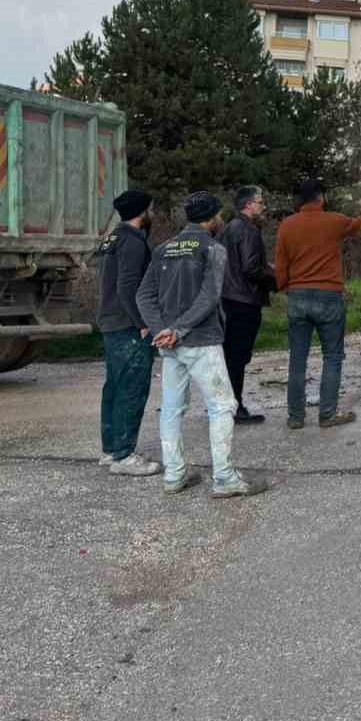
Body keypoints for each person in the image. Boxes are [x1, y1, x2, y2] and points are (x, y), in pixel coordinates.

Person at [136, 190, 266, 500]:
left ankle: (174, 474)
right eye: (218, 215)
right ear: (211, 218)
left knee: (171, 409)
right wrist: (177, 330)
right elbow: (209, 297)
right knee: (222, 406)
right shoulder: (212, 248)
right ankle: (224, 478)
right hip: (201, 341)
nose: (221, 219)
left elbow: (144, 295)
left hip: (170, 344)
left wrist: (162, 330)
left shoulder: (163, 248)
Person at [273, 179, 361, 431]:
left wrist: (287, 288)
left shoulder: (287, 225)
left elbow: (281, 266)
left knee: (297, 359)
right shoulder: (334, 221)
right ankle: (327, 414)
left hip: (297, 296)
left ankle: (296, 417)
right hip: (329, 297)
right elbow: (357, 225)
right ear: (321, 198)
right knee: (332, 356)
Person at [96, 189, 160, 476]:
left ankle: (111, 450)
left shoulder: (112, 238)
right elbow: (127, 286)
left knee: (114, 386)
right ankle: (124, 456)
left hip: (111, 322)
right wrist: (143, 322)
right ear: (142, 211)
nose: (154, 214)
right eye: (152, 209)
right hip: (128, 325)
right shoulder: (133, 242)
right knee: (132, 388)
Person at [221, 185, 275, 424]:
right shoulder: (248, 229)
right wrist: (274, 278)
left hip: (229, 298)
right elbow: (250, 268)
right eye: (260, 202)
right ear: (248, 204)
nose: (263, 206)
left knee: (231, 355)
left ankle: (227, 404)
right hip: (245, 300)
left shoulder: (229, 227)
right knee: (238, 356)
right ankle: (236, 407)